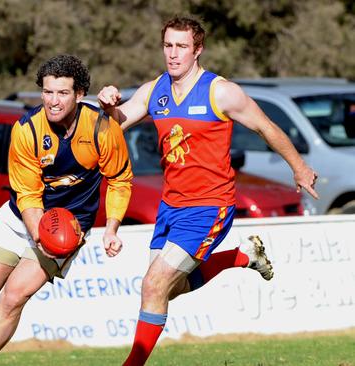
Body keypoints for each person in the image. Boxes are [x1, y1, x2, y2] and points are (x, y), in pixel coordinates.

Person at [97, 16, 319, 366]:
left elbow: (265, 126)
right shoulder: (154, 90)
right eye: (168, 45)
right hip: (170, 206)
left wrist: (299, 167)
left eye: (181, 47)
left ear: (197, 50)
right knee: (169, 288)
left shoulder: (220, 91)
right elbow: (117, 122)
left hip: (209, 206)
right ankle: (241, 257)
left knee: (153, 286)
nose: (173, 54)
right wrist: (108, 106)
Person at [0, 54, 133, 366]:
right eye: (47, 92)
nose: (53, 101)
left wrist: (112, 228)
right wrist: (39, 234)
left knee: (14, 296)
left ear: (79, 94)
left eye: (62, 93)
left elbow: (119, 179)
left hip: (68, 226)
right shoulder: (26, 130)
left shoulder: (102, 129)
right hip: (20, 218)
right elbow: (27, 195)